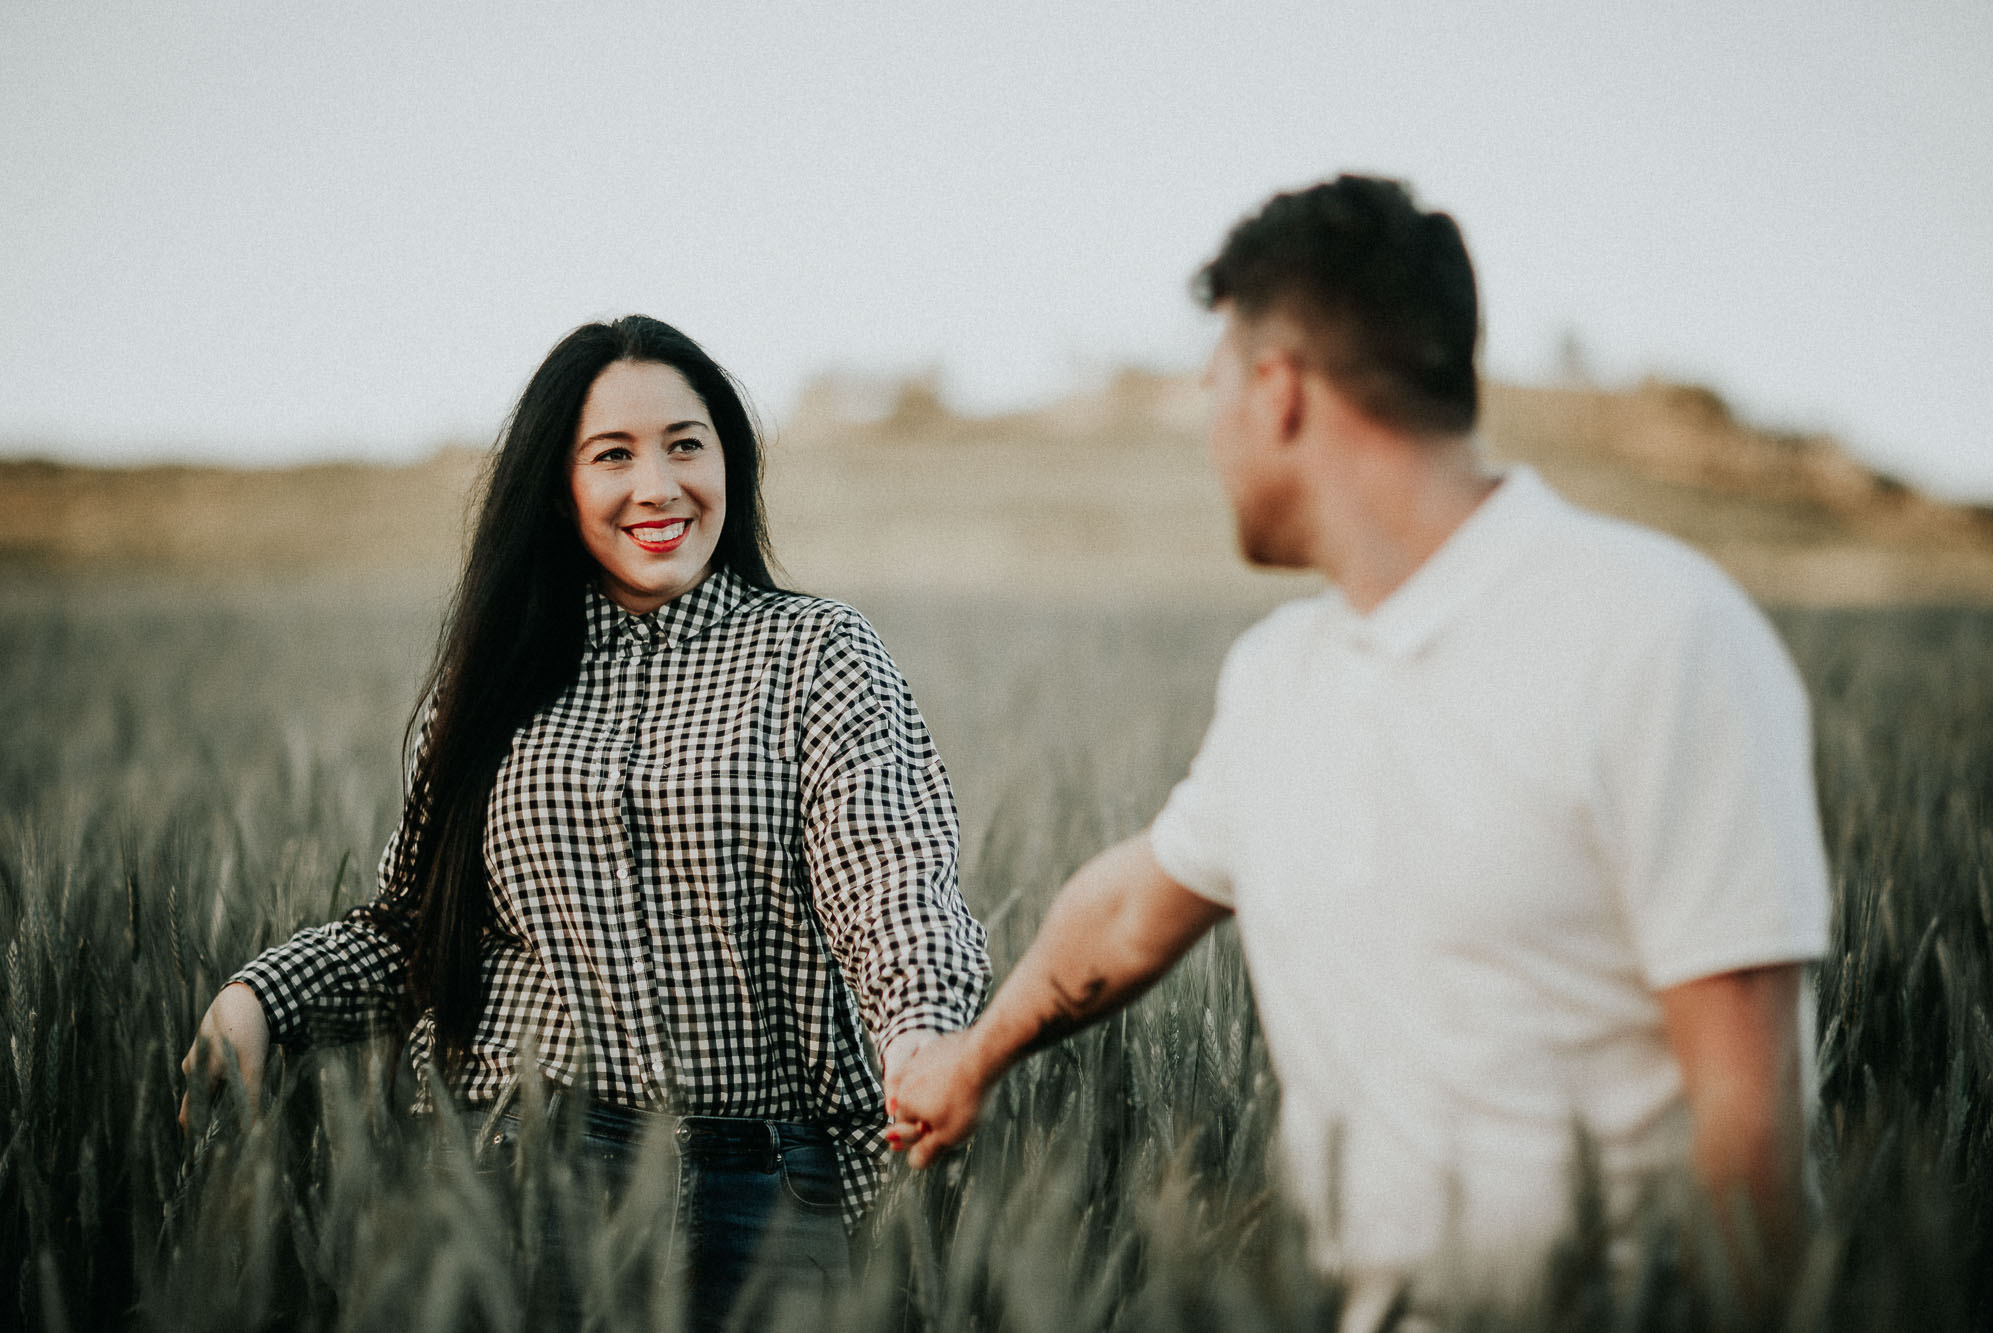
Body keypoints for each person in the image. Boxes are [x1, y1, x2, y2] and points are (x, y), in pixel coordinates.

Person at [886, 177, 1830, 1326]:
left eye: (1213, 393)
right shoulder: (1284, 672)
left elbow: (1751, 1123)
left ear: (1277, 392)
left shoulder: (1653, 636)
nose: (1210, 438)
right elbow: (1137, 907)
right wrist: (972, 1055)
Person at [180, 315, 991, 1329]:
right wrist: (264, 998)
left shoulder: (815, 654)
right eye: (612, 454)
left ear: (728, 462)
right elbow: (411, 928)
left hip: (770, 1192)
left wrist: (921, 1029)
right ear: (557, 487)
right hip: (524, 1176)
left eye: (685, 444)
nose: (657, 485)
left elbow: (890, 875)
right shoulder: (494, 683)